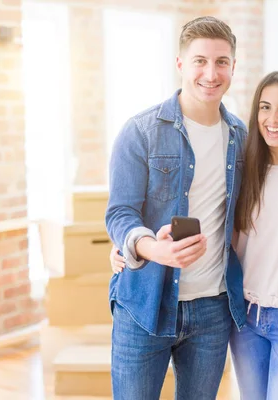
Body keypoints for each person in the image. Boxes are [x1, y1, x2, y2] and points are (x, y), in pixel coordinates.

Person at [111, 70, 278, 400]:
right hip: (246, 317)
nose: (273, 118)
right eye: (265, 107)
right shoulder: (246, 167)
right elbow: (221, 231)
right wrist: (135, 245)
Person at [105, 16, 248, 400]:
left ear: (233, 66)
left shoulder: (241, 138)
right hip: (144, 304)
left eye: (221, 62)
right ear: (181, 64)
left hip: (212, 311)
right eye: (200, 60)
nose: (211, 73)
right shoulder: (141, 131)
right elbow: (119, 213)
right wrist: (153, 249)